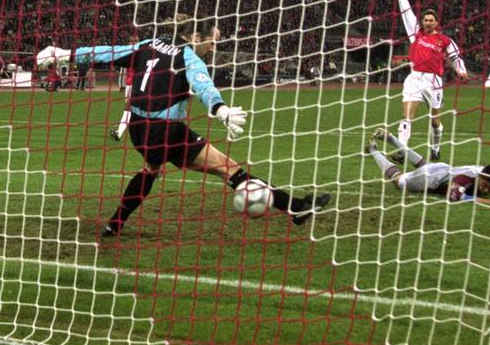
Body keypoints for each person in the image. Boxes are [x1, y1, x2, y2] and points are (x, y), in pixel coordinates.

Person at [71, 15, 331, 237]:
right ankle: (296, 208)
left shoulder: (149, 44)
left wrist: (69, 54)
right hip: (166, 132)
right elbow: (204, 85)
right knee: (230, 170)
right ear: (196, 36)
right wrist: (221, 109)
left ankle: (114, 225)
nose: (213, 48)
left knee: (151, 169)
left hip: (139, 130)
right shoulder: (188, 55)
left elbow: (109, 52)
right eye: (213, 41)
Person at [393, 0, 469, 160]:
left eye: (430, 20)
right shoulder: (416, 34)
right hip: (414, 78)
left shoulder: (444, 40)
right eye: (425, 20)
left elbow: (455, 57)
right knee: (406, 115)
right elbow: (407, 13)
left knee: (435, 121)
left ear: (436, 22)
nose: (427, 22)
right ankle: (402, 150)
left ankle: (435, 149)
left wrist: (461, 70)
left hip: (433, 81)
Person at [366, 128, 490, 203]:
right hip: (428, 179)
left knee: (423, 164)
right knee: (398, 180)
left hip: (440, 169)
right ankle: (373, 150)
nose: (486, 189)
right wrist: (483, 200)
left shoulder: (485, 171)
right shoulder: (466, 179)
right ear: (480, 176)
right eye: (485, 185)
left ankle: (392, 138)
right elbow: (453, 196)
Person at [109, 66, 135, 142]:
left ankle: (119, 133)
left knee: (128, 109)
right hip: (131, 84)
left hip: (133, 84)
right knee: (131, 109)